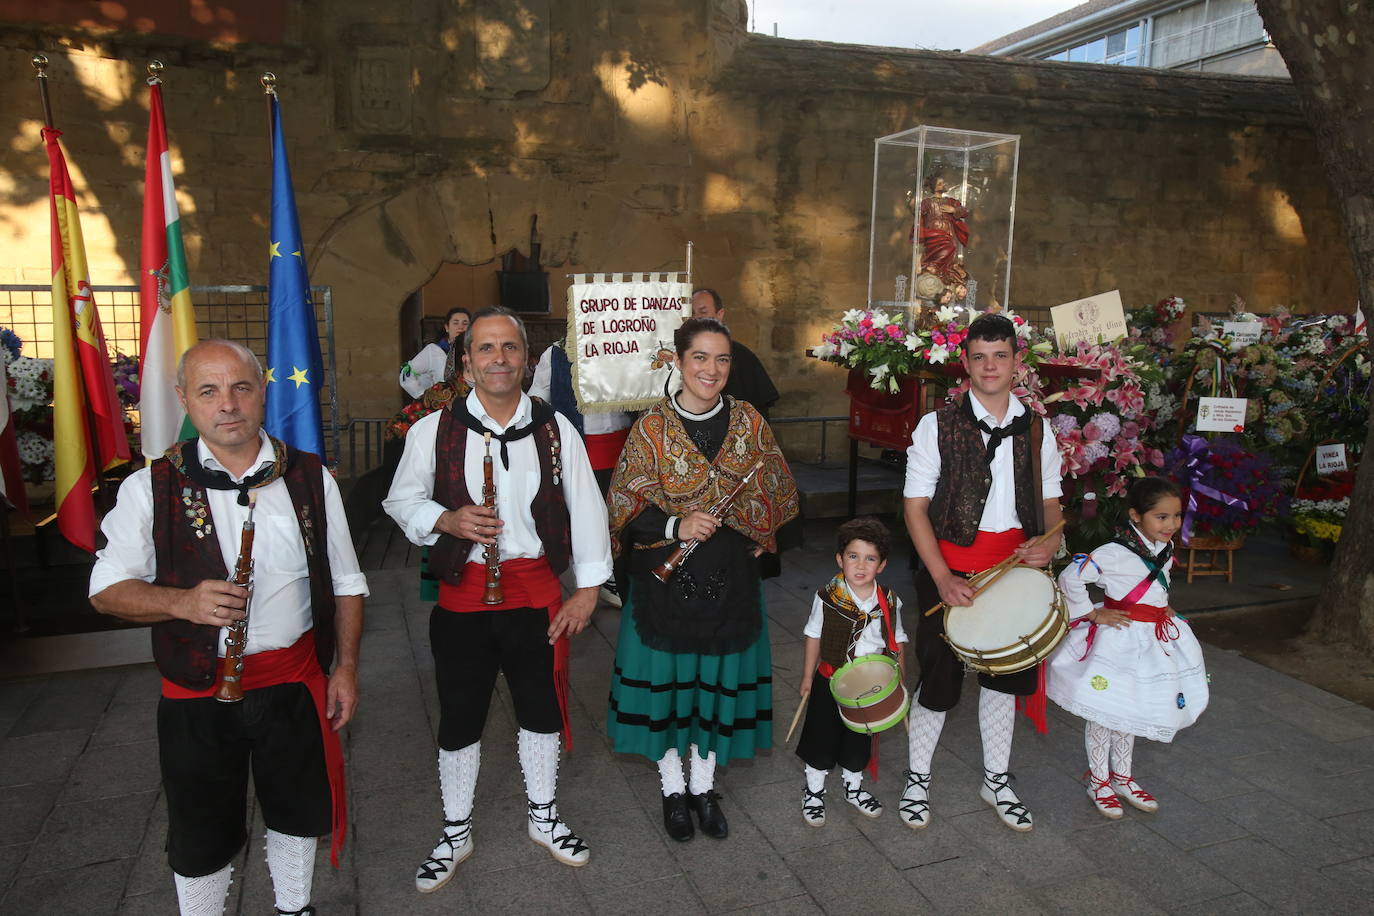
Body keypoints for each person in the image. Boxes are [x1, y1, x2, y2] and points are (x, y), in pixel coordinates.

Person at [89, 339, 367, 916]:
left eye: (241, 387)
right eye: (209, 391)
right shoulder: (152, 486)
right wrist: (181, 603)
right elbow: (105, 590)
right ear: (184, 400)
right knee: (201, 826)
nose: (228, 404)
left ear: (262, 392)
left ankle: (295, 907)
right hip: (195, 690)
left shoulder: (310, 477)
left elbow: (345, 582)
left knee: (296, 810)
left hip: (293, 678)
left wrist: (345, 668)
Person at [384, 306, 613, 893]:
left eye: (509, 348)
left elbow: (587, 507)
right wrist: (448, 519)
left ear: (526, 358)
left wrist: (587, 590)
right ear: (467, 361)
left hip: (535, 589)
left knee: (541, 710)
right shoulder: (433, 430)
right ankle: (456, 831)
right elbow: (400, 502)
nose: (499, 359)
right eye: (486, 349)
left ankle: (544, 816)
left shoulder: (555, 427)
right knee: (461, 716)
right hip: (463, 595)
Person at [606, 316, 798, 843]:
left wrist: (764, 527)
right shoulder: (651, 428)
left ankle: (703, 788)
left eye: (721, 359)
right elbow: (623, 508)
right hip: (663, 581)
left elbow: (779, 489)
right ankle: (673, 790)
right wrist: (676, 522)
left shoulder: (750, 420)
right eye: (699, 357)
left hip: (730, 579)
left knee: (715, 689)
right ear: (678, 361)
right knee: (672, 689)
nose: (710, 370)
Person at [900, 313, 1063, 833]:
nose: (990, 366)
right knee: (938, 679)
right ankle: (917, 779)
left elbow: (1052, 504)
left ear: (1017, 362)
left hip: (1013, 570)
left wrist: (1051, 542)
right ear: (965, 363)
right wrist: (942, 576)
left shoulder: (1038, 429)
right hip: (947, 566)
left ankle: (996, 780)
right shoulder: (937, 426)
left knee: (1005, 680)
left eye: (1000, 356)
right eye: (979, 357)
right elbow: (914, 508)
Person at [1048, 477, 1208, 818]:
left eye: (1176, 516)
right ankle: (1099, 780)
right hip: (1119, 640)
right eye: (1161, 517)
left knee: (1130, 708)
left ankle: (1122, 776)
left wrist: (1162, 606)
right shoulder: (1112, 552)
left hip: (1151, 641)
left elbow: (1154, 585)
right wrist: (1092, 612)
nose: (1171, 524)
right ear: (1136, 515)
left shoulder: (1165, 550)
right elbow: (1069, 578)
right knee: (1105, 710)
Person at [795, 517, 907, 826]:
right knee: (821, 736)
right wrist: (807, 676)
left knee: (859, 738)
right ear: (839, 559)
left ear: (881, 565)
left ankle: (853, 787)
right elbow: (813, 635)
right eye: (853, 556)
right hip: (830, 678)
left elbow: (897, 641)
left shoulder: (890, 600)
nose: (860, 565)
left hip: (869, 686)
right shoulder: (827, 597)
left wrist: (900, 680)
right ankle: (814, 791)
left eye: (870, 558)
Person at [529, 338, 633, 606]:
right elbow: (537, 399)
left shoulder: (623, 342)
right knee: (584, 517)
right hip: (581, 446)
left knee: (622, 517)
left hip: (624, 445)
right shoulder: (555, 353)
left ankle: (616, 577)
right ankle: (588, 584)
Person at [690, 288, 779, 420]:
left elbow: (759, 413)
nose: (696, 318)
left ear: (719, 315)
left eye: (703, 312)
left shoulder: (743, 357)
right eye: (691, 313)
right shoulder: (684, 356)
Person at [400, 307, 470, 399]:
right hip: (444, 407)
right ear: (447, 327)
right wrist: (422, 396)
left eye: (465, 323)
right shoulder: (433, 351)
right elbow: (407, 372)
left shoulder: (477, 352)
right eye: (455, 323)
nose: (460, 327)